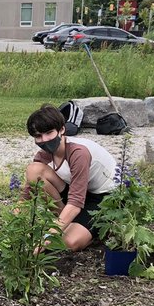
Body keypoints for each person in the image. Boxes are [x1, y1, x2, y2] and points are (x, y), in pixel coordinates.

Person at [22, 103, 117, 252]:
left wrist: (48, 236)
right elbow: (28, 193)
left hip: (103, 198)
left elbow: (75, 203)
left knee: (69, 242)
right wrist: (12, 226)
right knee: (34, 170)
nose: (44, 139)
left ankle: (93, 228)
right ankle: (67, 223)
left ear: (62, 130)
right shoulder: (43, 155)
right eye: (38, 136)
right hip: (77, 192)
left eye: (49, 133)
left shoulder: (78, 153)